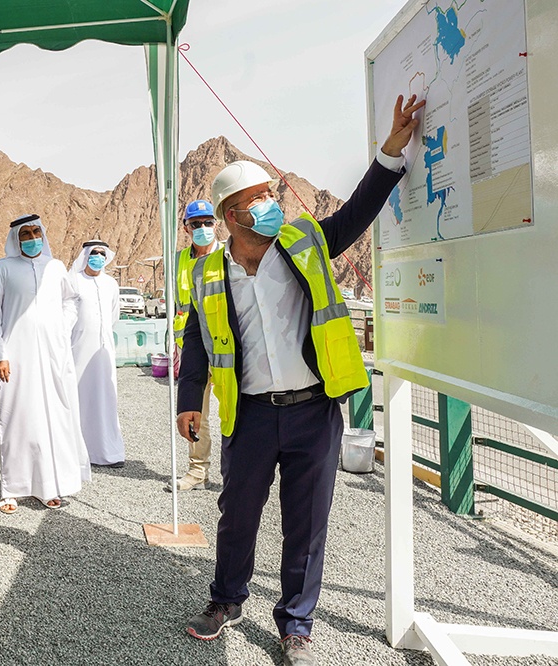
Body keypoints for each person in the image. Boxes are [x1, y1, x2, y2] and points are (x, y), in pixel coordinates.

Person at [176, 94, 424, 666]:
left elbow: (357, 212)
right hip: (252, 414)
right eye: (253, 201)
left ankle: (296, 624)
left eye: (269, 195)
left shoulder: (304, 240)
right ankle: (225, 601)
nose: (267, 205)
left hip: (315, 410)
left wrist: (390, 152)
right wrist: (191, 400)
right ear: (228, 216)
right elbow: (195, 338)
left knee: (306, 523)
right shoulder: (211, 270)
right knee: (237, 513)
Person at [0, 214, 90, 513]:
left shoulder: (55, 268)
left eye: (36, 232)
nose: (32, 238)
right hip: (15, 356)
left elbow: (72, 301)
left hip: (55, 354)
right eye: (25, 234)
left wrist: (61, 328)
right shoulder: (4, 268)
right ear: (16, 239)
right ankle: (11, 489)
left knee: (53, 417)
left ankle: (47, 487)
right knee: (16, 417)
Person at [170, 199, 220, 492]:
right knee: (195, 413)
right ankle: (197, 471)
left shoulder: (229, 254)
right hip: (191, 350)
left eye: (207, 222)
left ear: (217, 224)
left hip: (225, 346)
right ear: (186, 228)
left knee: (236, 414)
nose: (202, 228)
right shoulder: (178, 260)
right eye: (196, 224)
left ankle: (240, 471)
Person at [68, 240, 125, 467]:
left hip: (103, 351)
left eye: (102, 253)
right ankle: (79, 452)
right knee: (80, 398)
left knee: (106, 397)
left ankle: (108, 451)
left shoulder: (111, 283)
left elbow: (113, 316)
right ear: (85, 255)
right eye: (94, 253)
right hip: (78, 350)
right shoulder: (73, 281)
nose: (98, 256)